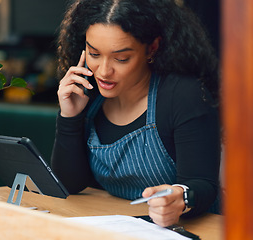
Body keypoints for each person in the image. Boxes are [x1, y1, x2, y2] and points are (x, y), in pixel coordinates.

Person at [51, 0, 221, 227]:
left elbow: (203, 184)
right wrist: (70, 117)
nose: (103, 71)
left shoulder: (182, 95)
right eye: (94, 53)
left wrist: (180, 197)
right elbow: (69, 184)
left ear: (152, 48)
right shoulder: (88, 96)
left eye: (121, 58)